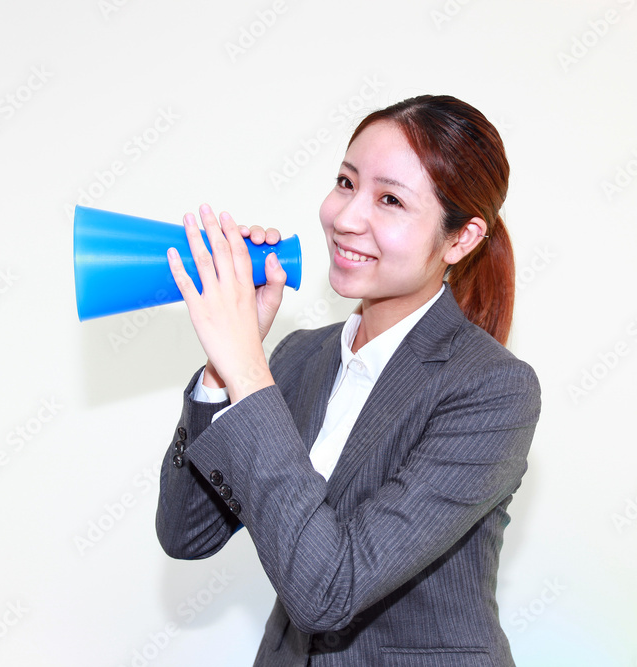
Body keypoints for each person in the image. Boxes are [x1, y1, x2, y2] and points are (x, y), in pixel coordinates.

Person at [155, 94, 541, 666]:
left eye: (390, 199)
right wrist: (223, 368)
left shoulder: (494, 390)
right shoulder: (299, 356)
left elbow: (329, 591)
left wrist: (248, 371)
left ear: (461, 239)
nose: (345, 218)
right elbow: (187, 535)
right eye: (345, 182)